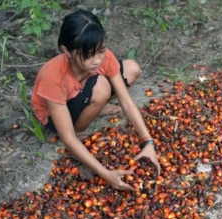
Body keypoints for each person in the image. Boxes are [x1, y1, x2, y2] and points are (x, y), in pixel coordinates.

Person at [31, 9, 161, 191]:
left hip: (83, 89)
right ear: (66, 51)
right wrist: (105, 173)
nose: (97, 60)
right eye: (87, 55)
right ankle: (82, 126)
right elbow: (67, 138)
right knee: (101, 88)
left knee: (131, 68)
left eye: (100, 51)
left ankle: (95, 105)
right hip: (57, 115)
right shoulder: (53, 76)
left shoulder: (101, 58)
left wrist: (148, 142)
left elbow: (127, 102)